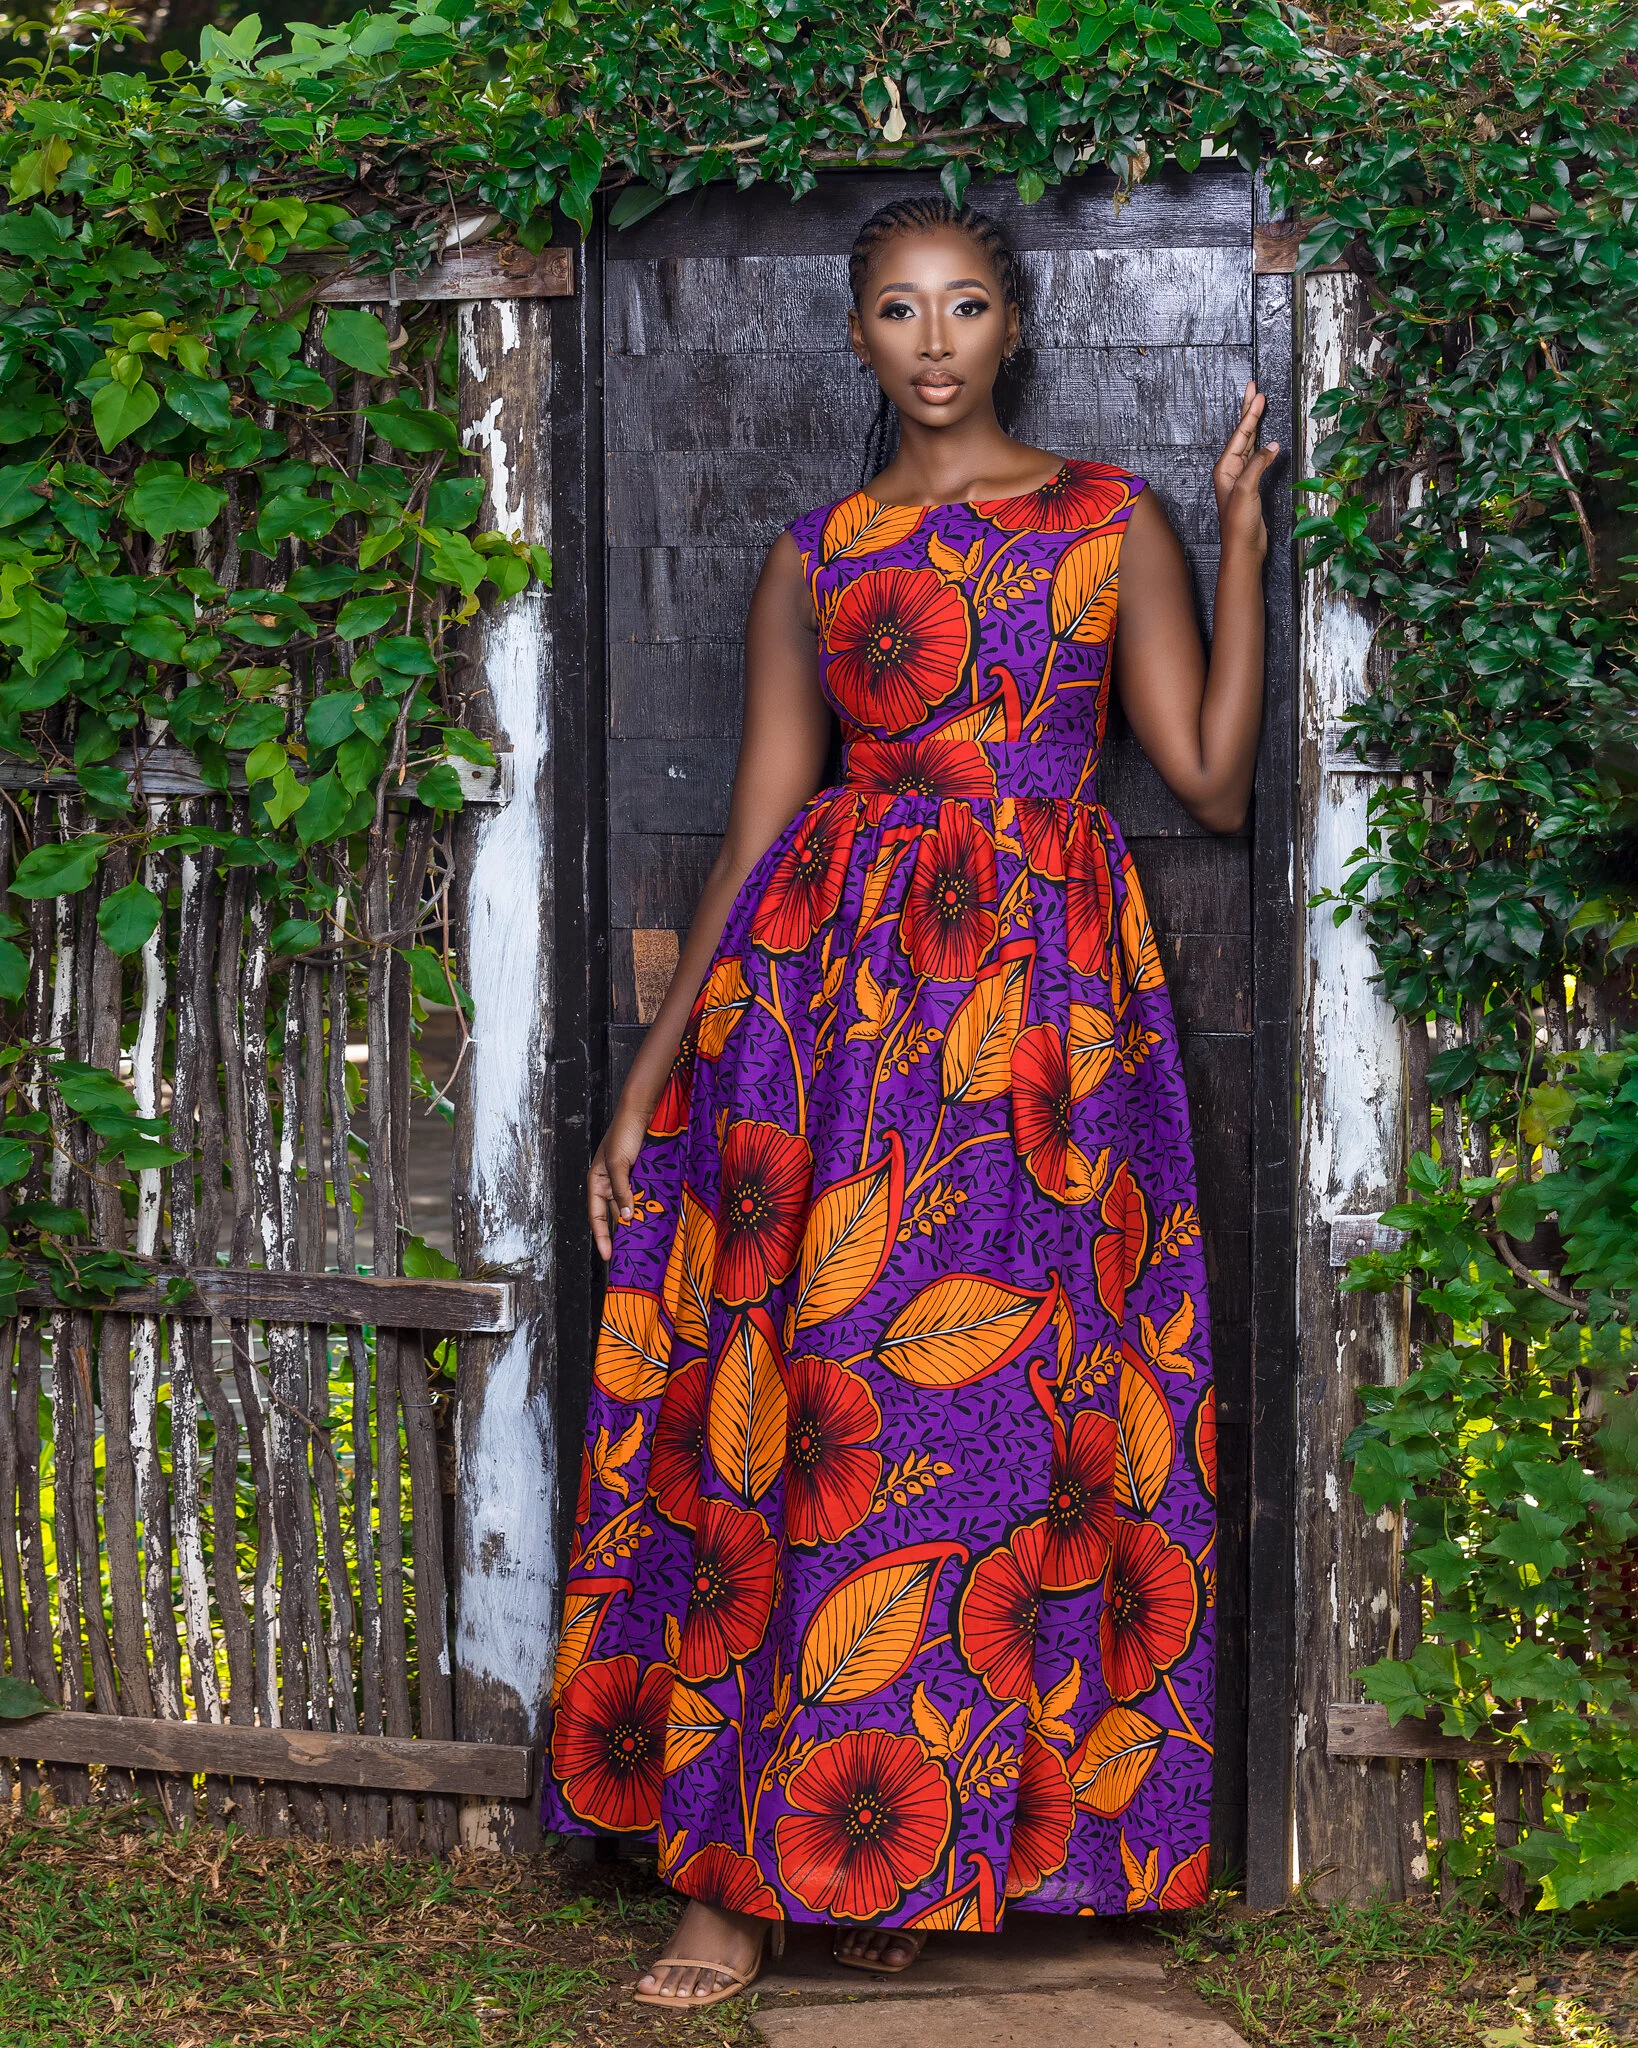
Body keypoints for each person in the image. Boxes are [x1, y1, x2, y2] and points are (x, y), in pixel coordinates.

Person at [541, 191, 1277, 2012]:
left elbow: (1203, 780)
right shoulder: (820, 547)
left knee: (1010, 1419)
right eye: (895, 309)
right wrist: (648, 1077)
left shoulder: (1113, 518)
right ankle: (738, 1873)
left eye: (961, 307)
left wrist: (1245, 544)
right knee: (804, 1403)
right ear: (858, 336)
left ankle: (957, 1850)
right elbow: (758, 828)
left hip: (1037, 1025)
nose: (932, 338)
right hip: (833, 1016)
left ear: (1009, 326)